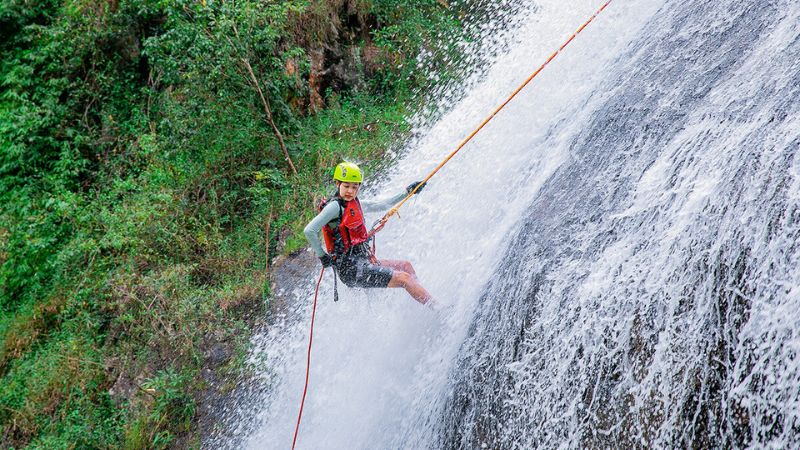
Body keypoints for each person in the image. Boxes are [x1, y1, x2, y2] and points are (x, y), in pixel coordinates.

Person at [304, 162, 431, 304]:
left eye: (354, 187)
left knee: (405, 266)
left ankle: (423, 300)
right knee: (404, 278)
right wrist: (322, 256)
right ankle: (438, 309)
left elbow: (382, 205)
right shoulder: (334, 207)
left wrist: (408, 192)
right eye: (346, 186)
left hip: (363, 261)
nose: (350, 191)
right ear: (337, 184)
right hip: (351, 270)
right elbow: (309, 230)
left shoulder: (355, 203)